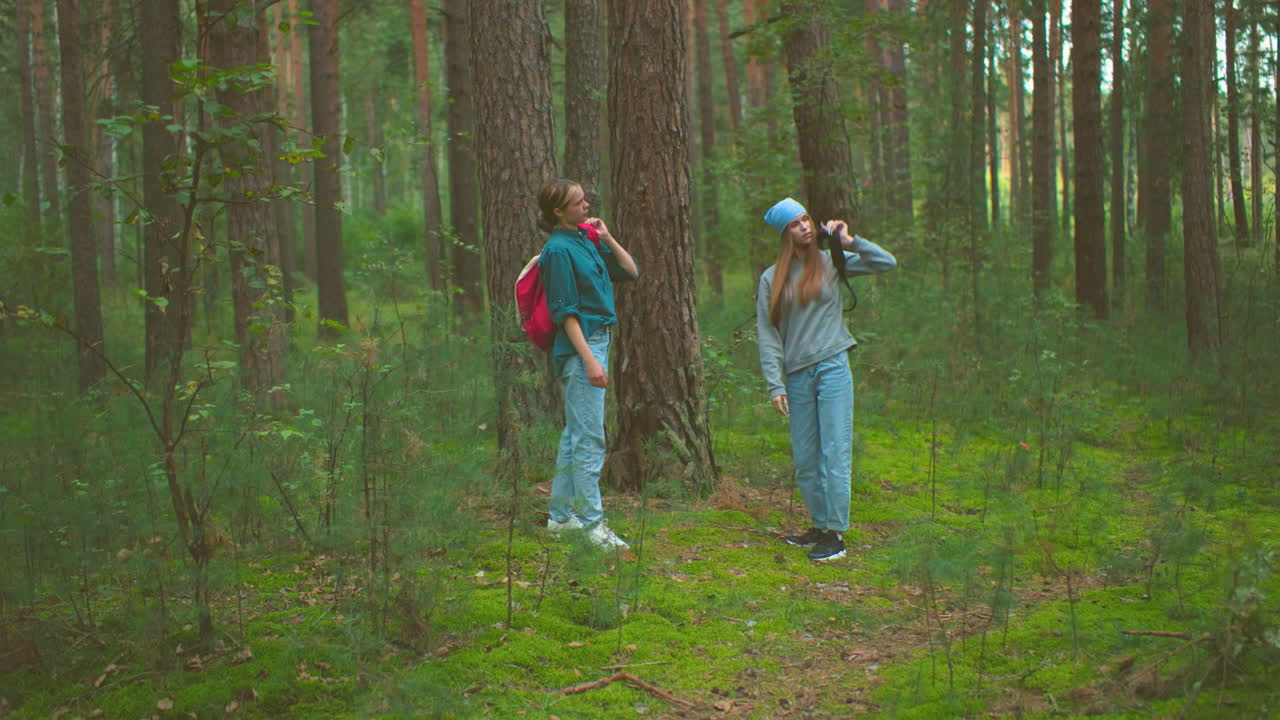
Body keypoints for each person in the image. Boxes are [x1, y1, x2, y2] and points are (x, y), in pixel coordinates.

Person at [756, 197, 896, 561]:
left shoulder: (832, 262)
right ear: (784, 233)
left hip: (833, 367)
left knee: (835, 452)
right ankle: (818, 526)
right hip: (798, 375)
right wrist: (775, 383)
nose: (803, 226)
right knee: (806, 458)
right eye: (794, 223)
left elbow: (886, 262)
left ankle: (836, 535)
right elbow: (768, 334)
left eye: (806, 219)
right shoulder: (772, 278)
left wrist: (850, 243)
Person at [537, 178, 639, 550]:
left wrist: (607, 237)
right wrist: (590, 361)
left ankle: (561, 517)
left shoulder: (584, 239)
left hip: (598, 341)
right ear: (557, 212)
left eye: (584, 200)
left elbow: (630, 271)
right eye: (577, 202)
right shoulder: (558, 251)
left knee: (574, 433)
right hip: (583, 348)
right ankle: (592, 523)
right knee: (590, 437)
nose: (586, 205)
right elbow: (565, 312)